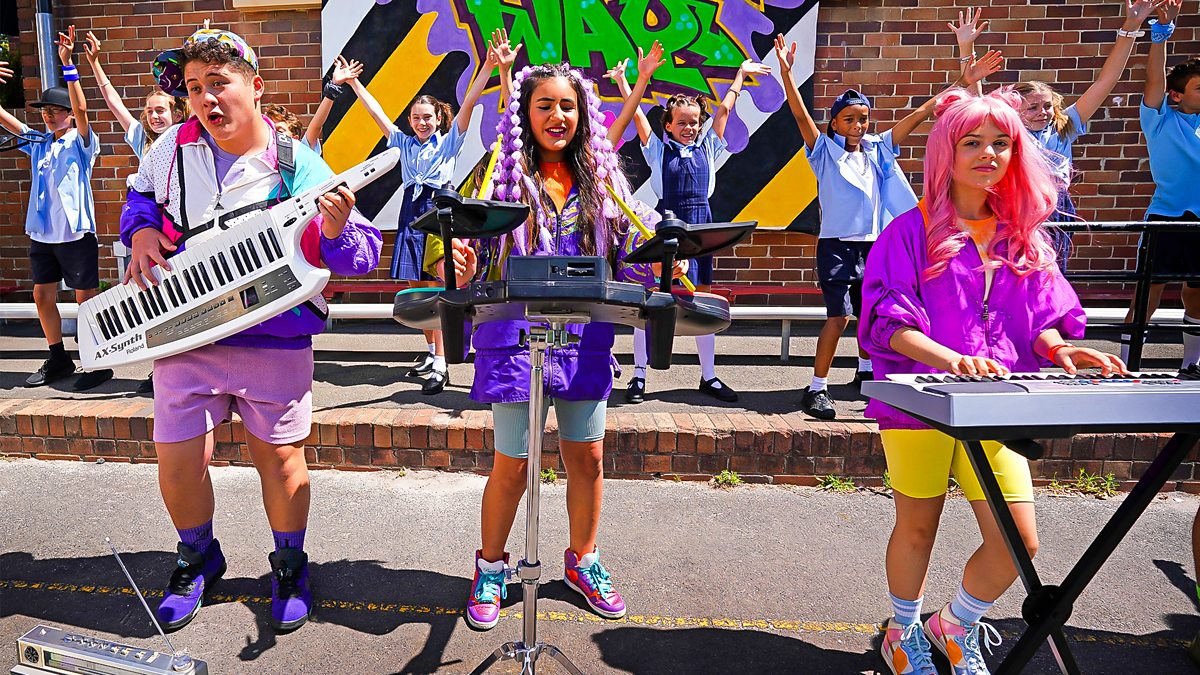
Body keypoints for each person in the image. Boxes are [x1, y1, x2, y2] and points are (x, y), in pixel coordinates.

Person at [121, 28, 382, 633]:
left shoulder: (297, 162)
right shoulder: (169, 149)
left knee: (281, 460)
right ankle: (197, 557)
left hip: (274, 337)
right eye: (193, 88)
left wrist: (336, 232)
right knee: (177, 457)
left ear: (256, 86)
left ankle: (289, 565)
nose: (205, 98)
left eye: (218, 83)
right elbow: (139, 197)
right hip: (185, 332)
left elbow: (362, 252)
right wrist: (140, 230)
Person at [860, 87, 1126, 675]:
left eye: (1002, 143)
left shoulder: (1023, 235)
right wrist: (950, 359)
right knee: (918, 527)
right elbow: (887, 322)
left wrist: (1063, 349)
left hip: (998, 405)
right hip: (919, 404)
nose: (989, 154)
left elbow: (1039, 320)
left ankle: (955, 622)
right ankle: (902, 632)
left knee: (1018, 541)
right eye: (973, 142)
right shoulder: (908, 232)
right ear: (945, 152)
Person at [433, 62, 673, 631]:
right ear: (524, 113)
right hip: (514, 340)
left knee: (587, 456)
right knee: (514, 462)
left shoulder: (602, 180)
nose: (558, 115)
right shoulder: (496, 173)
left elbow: (633, 250)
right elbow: (451, 252)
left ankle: (583, 560)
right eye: (545, 105)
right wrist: (457, 262)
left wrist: (664, 260)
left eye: (568, 105)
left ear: (583, 113)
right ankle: (491, 567)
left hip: (585, 339)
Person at [774, 30, 1003, 421]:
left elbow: (921, 113)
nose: (857, 125)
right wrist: (787, 75)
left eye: (863, 118)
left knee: (873, 315)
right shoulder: (823, 151)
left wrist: (962, 81)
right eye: (849, 119)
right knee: (839, 317)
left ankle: (866, 373)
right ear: (835, 123)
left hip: (876, 244)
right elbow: (798, 115)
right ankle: (817, 387)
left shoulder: (878, 148)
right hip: (837, 246)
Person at [349, 29, 517, 394]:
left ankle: (443, 361)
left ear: (438, 119)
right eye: (416, 117)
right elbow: (377, 114)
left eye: (427, 117)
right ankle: (430, 352)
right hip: (411, 209)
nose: (421, 122)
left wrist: (488, 67)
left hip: (438, 209)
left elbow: (469, 102)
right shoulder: (403, 142)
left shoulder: (449, 141)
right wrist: (355, 84)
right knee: (415, 287)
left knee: (438, 284)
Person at [605, 53, 771, 404]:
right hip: (667, 228)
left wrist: (740, 76)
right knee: (651, 300)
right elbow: (637, 115)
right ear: (668, 125)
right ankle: (639, 375)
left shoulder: (708, 147)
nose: (689, 127)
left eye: (694, 122)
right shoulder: (657, 150)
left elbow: (724, 111)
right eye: (682, 122)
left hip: (701, 230)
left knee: (702, 300)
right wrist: (622, 81)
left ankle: (708, 376)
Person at [954, 1, 1167, 271]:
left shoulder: (1062, 125)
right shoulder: (1007, 129)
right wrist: (966, 47)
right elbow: (975, 99)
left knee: (1051, 272)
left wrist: (1130, 26)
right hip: (1016, 202)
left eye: (1047, 105)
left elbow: (1105, 81)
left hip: (1055, 204)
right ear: (1015, 110)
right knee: (1012, 270)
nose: (1043, 112)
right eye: (1033, 107)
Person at [0, 26, 111, 391]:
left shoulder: (81, 142)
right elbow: (8, 120)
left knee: (85, 299)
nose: (49, 115)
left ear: (68, 114)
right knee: (41, 294)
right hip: (43, 233)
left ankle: (97, 360)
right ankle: (58, 357)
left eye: (56, 110)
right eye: (45, 110)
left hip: (75, 233)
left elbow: (82, 109)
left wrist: (68, 65)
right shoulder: (39, 143)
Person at [83, 29, 189, 394]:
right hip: (145, 227)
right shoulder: (143, 140)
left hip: (176, 228)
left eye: (161, 109)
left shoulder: (189, 137)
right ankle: (160, 368)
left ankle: (177, 367)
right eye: (149, 111)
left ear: (176, 111)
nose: (154, 116)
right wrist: (95, 65)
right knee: (154, 298)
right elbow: (113, 103)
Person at [1126, 0, 1200, 369]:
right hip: (1165, 217)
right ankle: (1126, 365)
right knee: (1148, 293)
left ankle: (1191, 365)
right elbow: (1154, 79)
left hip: (1199, 223)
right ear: (1177, 94)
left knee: (1197, 295)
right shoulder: (1159, 119)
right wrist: (1161, 33)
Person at [263, 55, 362, 155]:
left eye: (280, 131)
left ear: (294, 138)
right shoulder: (260, 156)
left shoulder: (301, 153)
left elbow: (316, 125)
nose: (274, 135)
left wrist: (334, 86)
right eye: (270, 130)